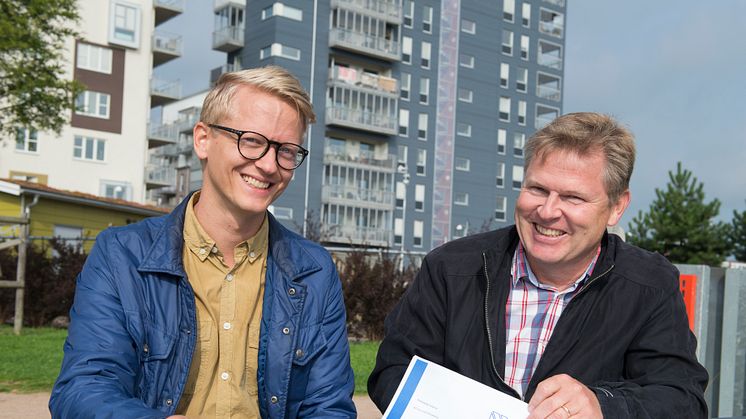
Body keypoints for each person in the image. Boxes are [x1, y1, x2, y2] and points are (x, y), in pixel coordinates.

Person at [50, 66, 356, 418]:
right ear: (203, 140)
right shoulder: (122, 256)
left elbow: (328, 407)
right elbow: (83, 390)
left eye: (286, 150)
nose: (269, 165)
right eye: (252, 141)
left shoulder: (314, 272)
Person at [368, 112, 708, 418]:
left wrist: (604, 406)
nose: (547, 211)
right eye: (537, 189)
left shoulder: (649, 285)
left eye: (573, 197)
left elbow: (682, 399)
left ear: (617, 206)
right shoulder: (451, 268)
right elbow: (393, 371)